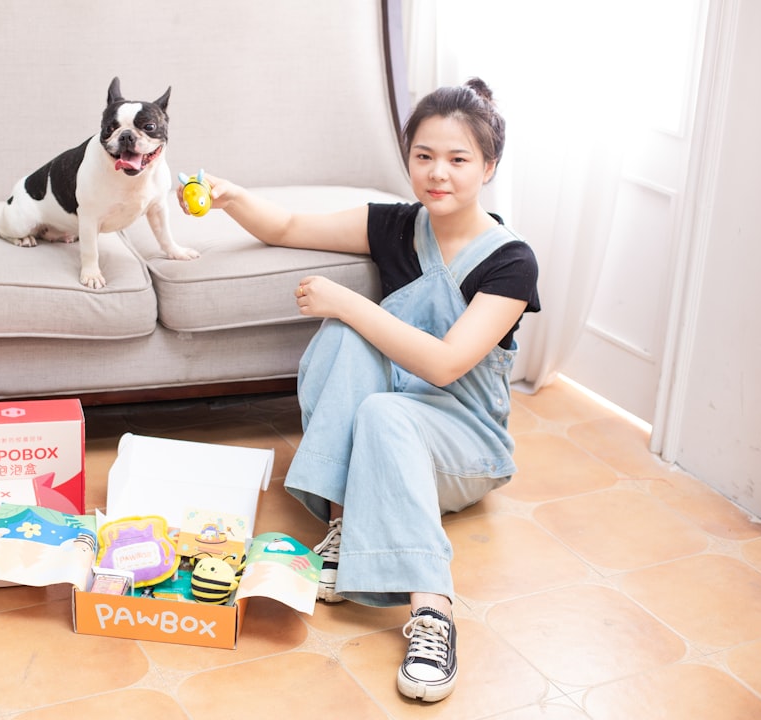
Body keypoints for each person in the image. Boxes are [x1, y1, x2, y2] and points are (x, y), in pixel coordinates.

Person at [177, 78, 540, 703]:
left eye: (458, 160)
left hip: (463, 444)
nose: (438, 174)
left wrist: (347, 302)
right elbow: (288, 225)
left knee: (375, 384)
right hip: (386, 428)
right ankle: (349, 523)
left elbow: (449, 364)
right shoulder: (397, 226)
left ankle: (432, 614)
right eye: (423, 156)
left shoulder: (511, 261)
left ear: (489, 166)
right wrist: (234, 197)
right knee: (351, 351)